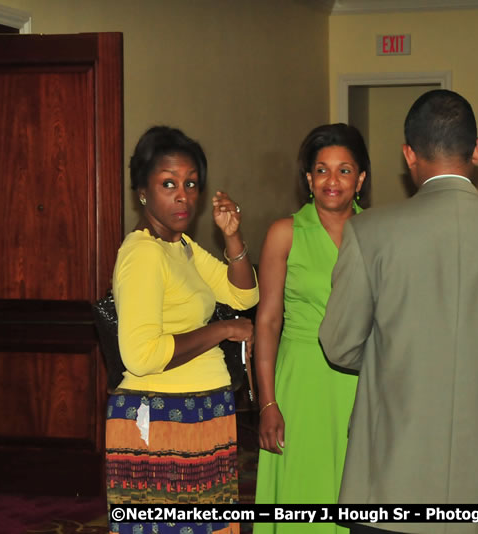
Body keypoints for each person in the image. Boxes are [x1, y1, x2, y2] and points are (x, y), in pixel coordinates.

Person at [319, 89, 478, 534]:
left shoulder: (369, 233)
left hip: (391, 468)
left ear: (409, 154)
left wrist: (394, 363)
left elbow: (339, 345)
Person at [106, 126, 258, 534]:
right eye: (168, 183)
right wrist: (223, 329)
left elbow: (242, 295)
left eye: (191, 184)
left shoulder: (181, 247)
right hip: (160, 416)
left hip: (203, 411)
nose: (183, 195)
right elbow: (141, 355)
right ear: (142, 191)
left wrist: (232, 237)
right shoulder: (142, 255)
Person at [253, 123, 370, 534]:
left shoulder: (377, 233)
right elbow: (267, 321)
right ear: (308, 179)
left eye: (344, 170)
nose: (332, 181)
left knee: (355, 492)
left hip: (360, 381)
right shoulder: (285, 233)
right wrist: (267, 403)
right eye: (321, 170)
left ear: (360, 179)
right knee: (306, 493)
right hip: (302, 379)